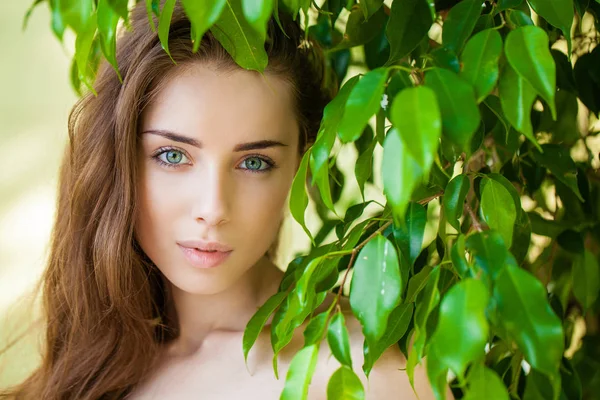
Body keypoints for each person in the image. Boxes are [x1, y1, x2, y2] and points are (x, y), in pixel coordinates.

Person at [1, 1, 439, 399]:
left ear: (303, 162)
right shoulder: (97, 358)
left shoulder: (368, 371)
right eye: (173, 156)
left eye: (254, 163)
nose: (212, 209)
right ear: (118, 160)